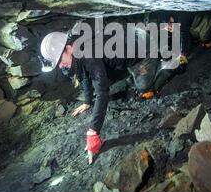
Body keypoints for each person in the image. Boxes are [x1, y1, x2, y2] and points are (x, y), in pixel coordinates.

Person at [40, 31, 138, 164]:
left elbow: (103, 93)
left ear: (68, 49)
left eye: (60, 61)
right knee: (109, 77)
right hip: (123, 52)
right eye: (57, 65)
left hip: (140, 52)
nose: (61, 66)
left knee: (144, 86)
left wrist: (93, 131)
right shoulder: (78, 51)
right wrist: (87, 101)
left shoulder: (88, 53)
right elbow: (84, 74)